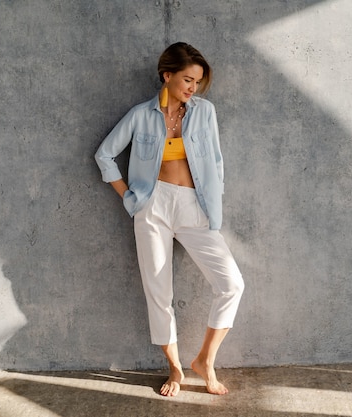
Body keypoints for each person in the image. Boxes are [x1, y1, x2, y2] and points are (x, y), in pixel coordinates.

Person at [95, 42, 244, 397]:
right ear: (168, 75)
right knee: (159, 292)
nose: (193, 88)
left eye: (197, 82)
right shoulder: (141, 115)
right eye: (187, 79)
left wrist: (213, 202)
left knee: (232, 284)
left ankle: (205, 360)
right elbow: (104, 154)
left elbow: (216, 163)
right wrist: (131, 198)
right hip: (153, 206)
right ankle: (175, 369)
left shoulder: (205, 112)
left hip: (196, 206)